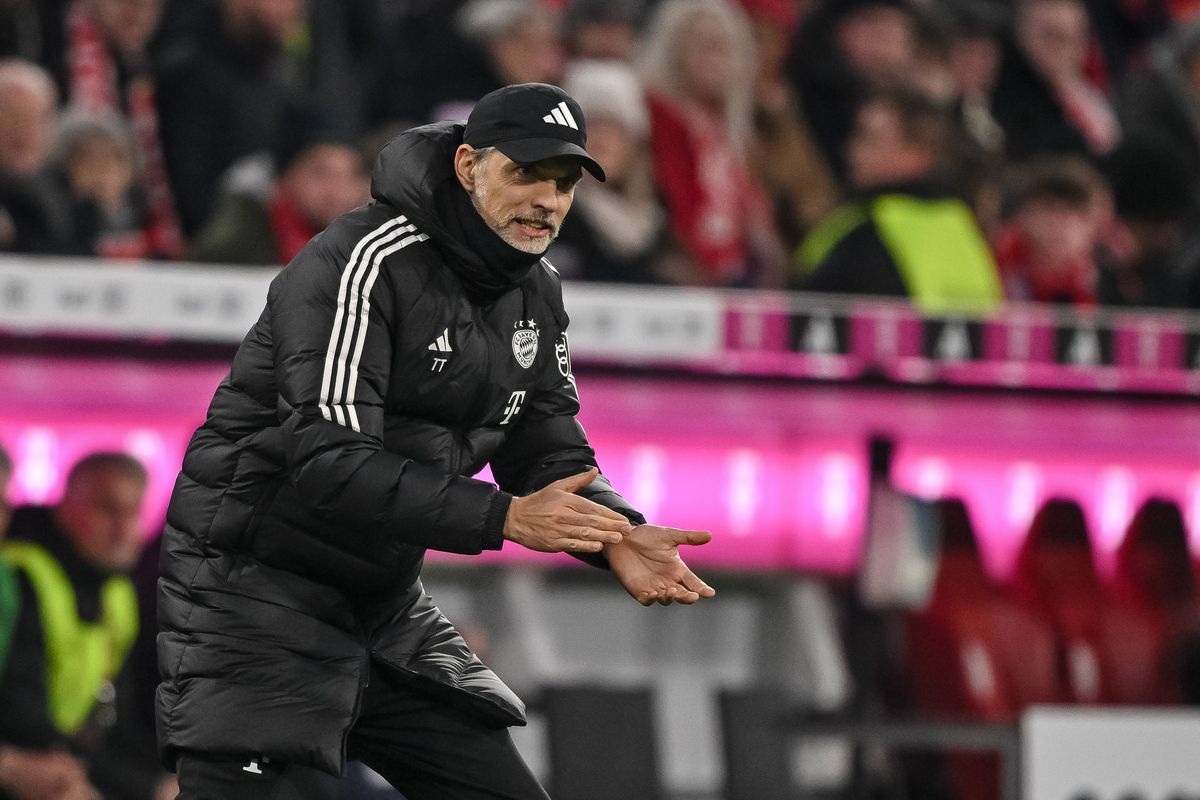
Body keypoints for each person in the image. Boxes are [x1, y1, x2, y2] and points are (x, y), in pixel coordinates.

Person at [157, 82, 716, 800]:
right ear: (468, 166)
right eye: (526, 173)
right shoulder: (360, 261)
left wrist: (615, 535)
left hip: (384, 609)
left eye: (564, 183)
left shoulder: (537, 290)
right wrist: (504, 518)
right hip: (254, 600)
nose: (547, 201)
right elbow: (330, 462)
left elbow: (547, 449)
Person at [0, 452, 177, 800]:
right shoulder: (21, 576)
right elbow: (25, 723)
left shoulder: (118, 592)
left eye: (134, 512)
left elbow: (117, 721)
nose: (123, 529)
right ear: (65, 507)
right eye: (107, 510)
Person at [793, 87, 1002, 312]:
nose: (852, 149)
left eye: (869, 138)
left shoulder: (869, 229)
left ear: (919, 151)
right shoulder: (961, 225)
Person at [188, 101, 370, 267]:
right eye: (321, 174)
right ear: (286, 175)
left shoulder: (364, 243)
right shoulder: (236, 241)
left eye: (350, 176)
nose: (338, 193)